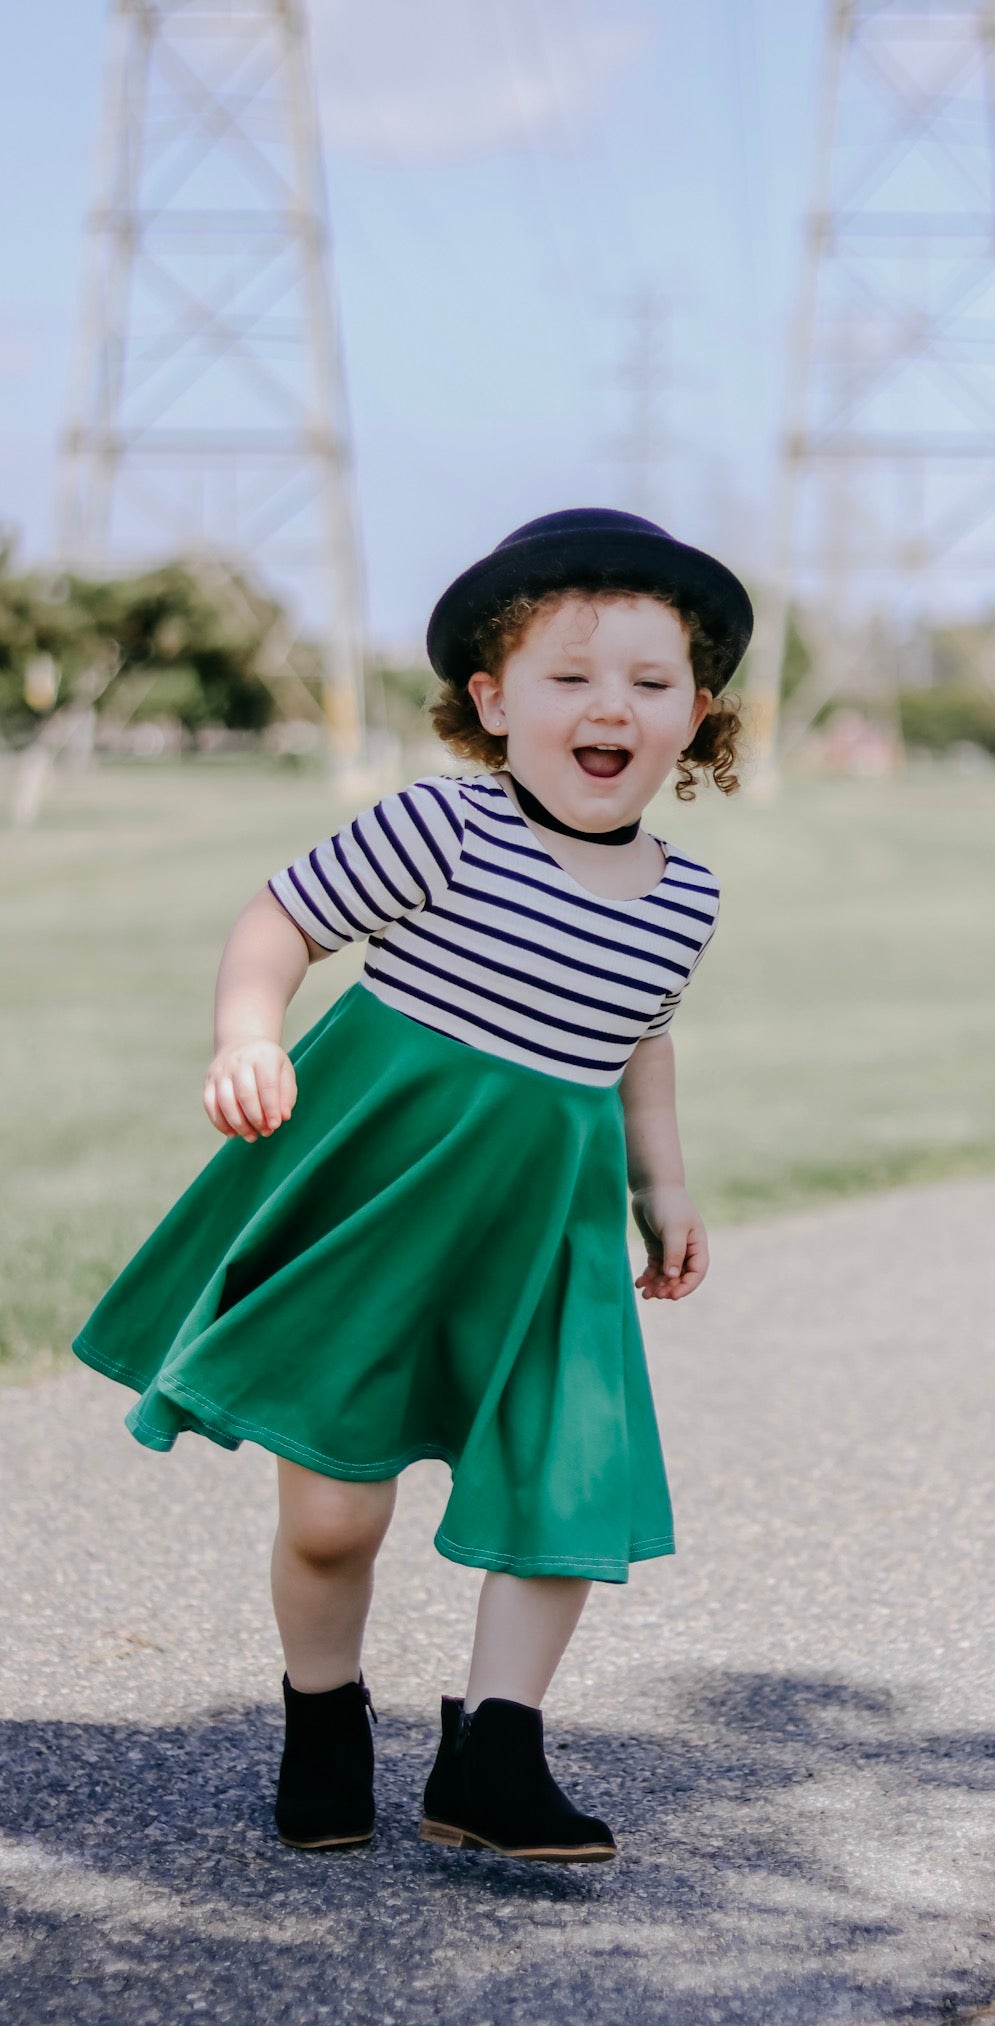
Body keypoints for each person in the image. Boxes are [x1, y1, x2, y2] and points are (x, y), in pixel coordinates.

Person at [72, 507, 752, 1863]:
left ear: (697, 718)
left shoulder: (684, 896)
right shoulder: (441, 827)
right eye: (569, 680)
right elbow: (280, 921)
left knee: (568, 1481)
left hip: (544, 1227)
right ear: (494, 705)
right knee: (333, 1518)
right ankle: (324, 1716)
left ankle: (495, 1752)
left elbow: (641, 1046)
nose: (608, 707)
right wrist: (246, 1033)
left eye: (649, 682)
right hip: (388, 1199)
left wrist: (660, 1188)